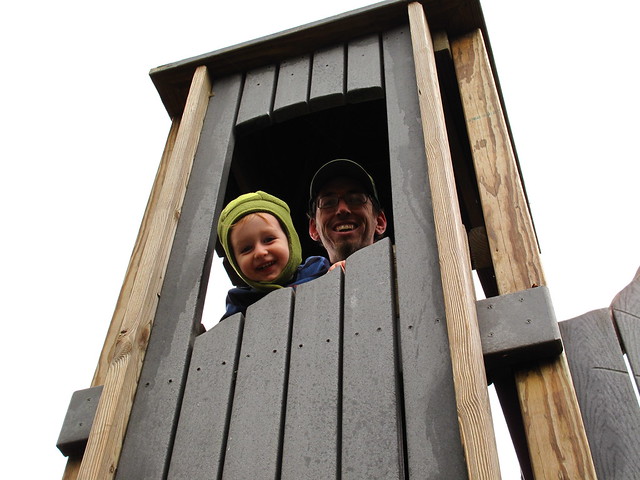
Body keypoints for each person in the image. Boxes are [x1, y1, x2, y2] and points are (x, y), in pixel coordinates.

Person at [217, 191, 331, 319]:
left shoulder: (317, 269)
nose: (260, 252)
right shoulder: (240, 301)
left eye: (268, 240)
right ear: (235, 262)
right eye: (246, 249)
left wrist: (341, 270)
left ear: (290, 240)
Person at [308, 159, 387, 265]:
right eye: (328, 203)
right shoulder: (304, 275)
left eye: (355, 200)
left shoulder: (405, 265)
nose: (342, 209)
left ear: (380, 222)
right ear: (314, 229)